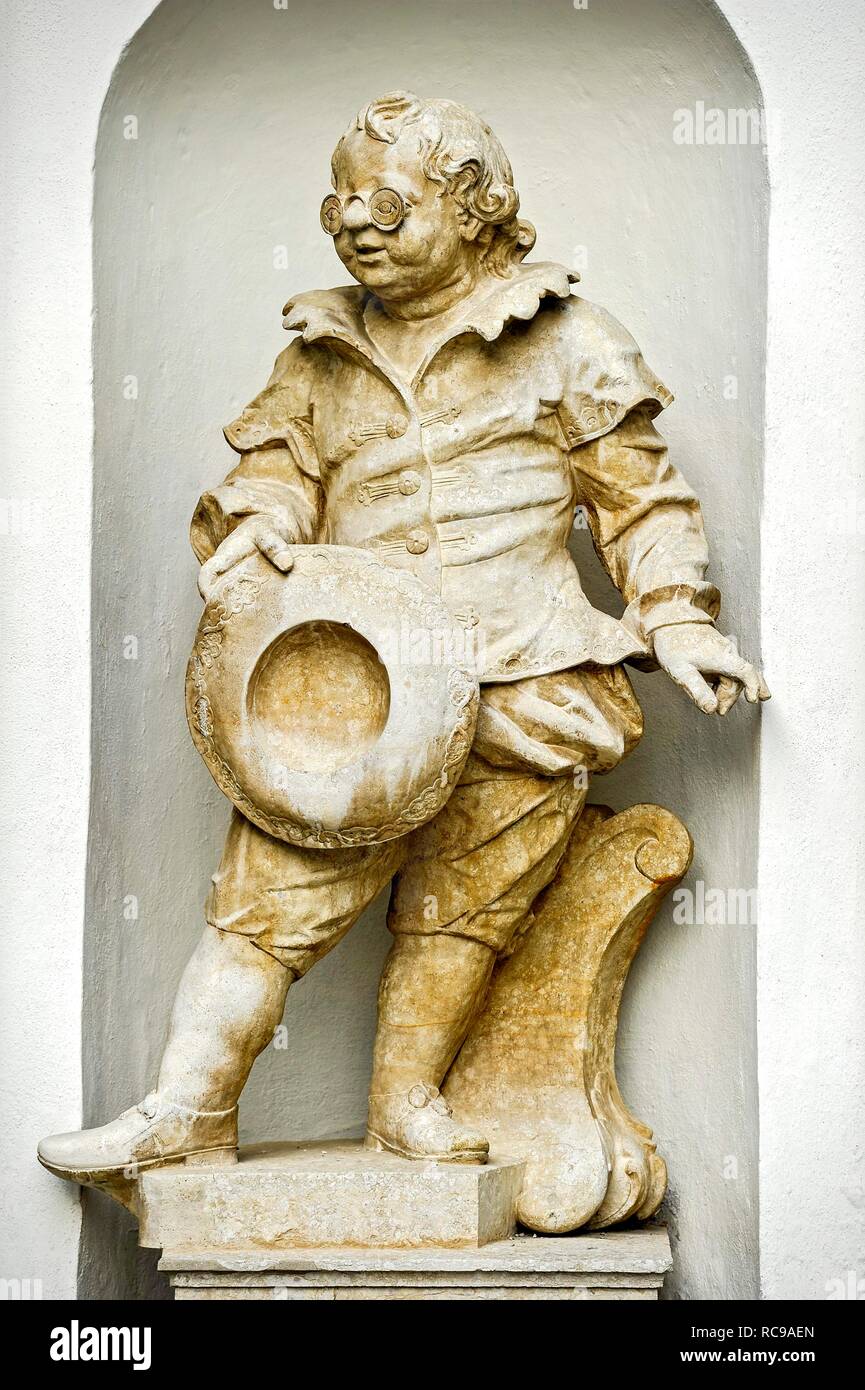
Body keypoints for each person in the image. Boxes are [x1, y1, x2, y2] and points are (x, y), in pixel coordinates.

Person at [39, 91, 768, 1184]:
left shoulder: (568, 339)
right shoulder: (321, 354)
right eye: (338, 205)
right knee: (263, 906)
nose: (354, 225)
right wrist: (260, 529)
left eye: (388, 202)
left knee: (460, 916)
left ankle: (403, 1104)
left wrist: (674, 616)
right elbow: (276, 468)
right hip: (352, 686)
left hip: (522, 674)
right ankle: (184, 1110)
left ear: (475, 209)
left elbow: (641, 500)